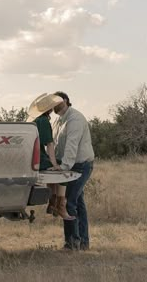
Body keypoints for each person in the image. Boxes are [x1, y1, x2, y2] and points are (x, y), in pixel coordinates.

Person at [52, 91, 95, 251]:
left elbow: (72, 145)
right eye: (53, 102)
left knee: (68, 201)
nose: (55, 105)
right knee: (78, 203)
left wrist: (63, 167)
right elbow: (56, 145)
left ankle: (72, 244)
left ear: (66, 100)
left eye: (58, 101)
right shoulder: (58, 121)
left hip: (81, 165)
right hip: (71, 165)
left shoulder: (74, 119)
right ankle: (83, 243)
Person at [27, 93, 74, 221]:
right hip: (38, 159)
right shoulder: (43, 121)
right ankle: (60, 205)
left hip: (28, 158)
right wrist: (55, 164)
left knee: (54, 169)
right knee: (63, 169)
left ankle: (52, 202)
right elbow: (49, 144)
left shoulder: (32, 120)